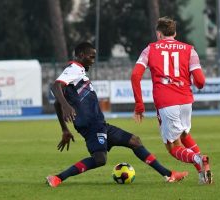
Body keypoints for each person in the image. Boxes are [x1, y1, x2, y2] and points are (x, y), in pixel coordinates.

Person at [46, 42, 188, 187]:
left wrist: (64, 128)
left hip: (100, 124)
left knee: (135, 141)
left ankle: (169, 174)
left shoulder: (78, 73)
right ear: (81, 55)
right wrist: (67, 106)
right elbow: (56, 86)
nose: (93, 60)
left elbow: (57, 102)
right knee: (100, 159)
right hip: (91, 125)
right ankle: (58, 178)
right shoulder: (74, 69)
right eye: (91, 56)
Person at [131, 16, 212, 184]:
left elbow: (135, 76)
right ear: (175, 33)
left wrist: (139, 105)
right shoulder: (189, 49)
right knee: (184, 134)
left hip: (167, 101)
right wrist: (194, 83)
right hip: (186, 100)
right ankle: (202, 174)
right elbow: (201, 81)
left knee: (173, 147)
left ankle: (198, 159)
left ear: (159, 34)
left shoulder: (150, 49)